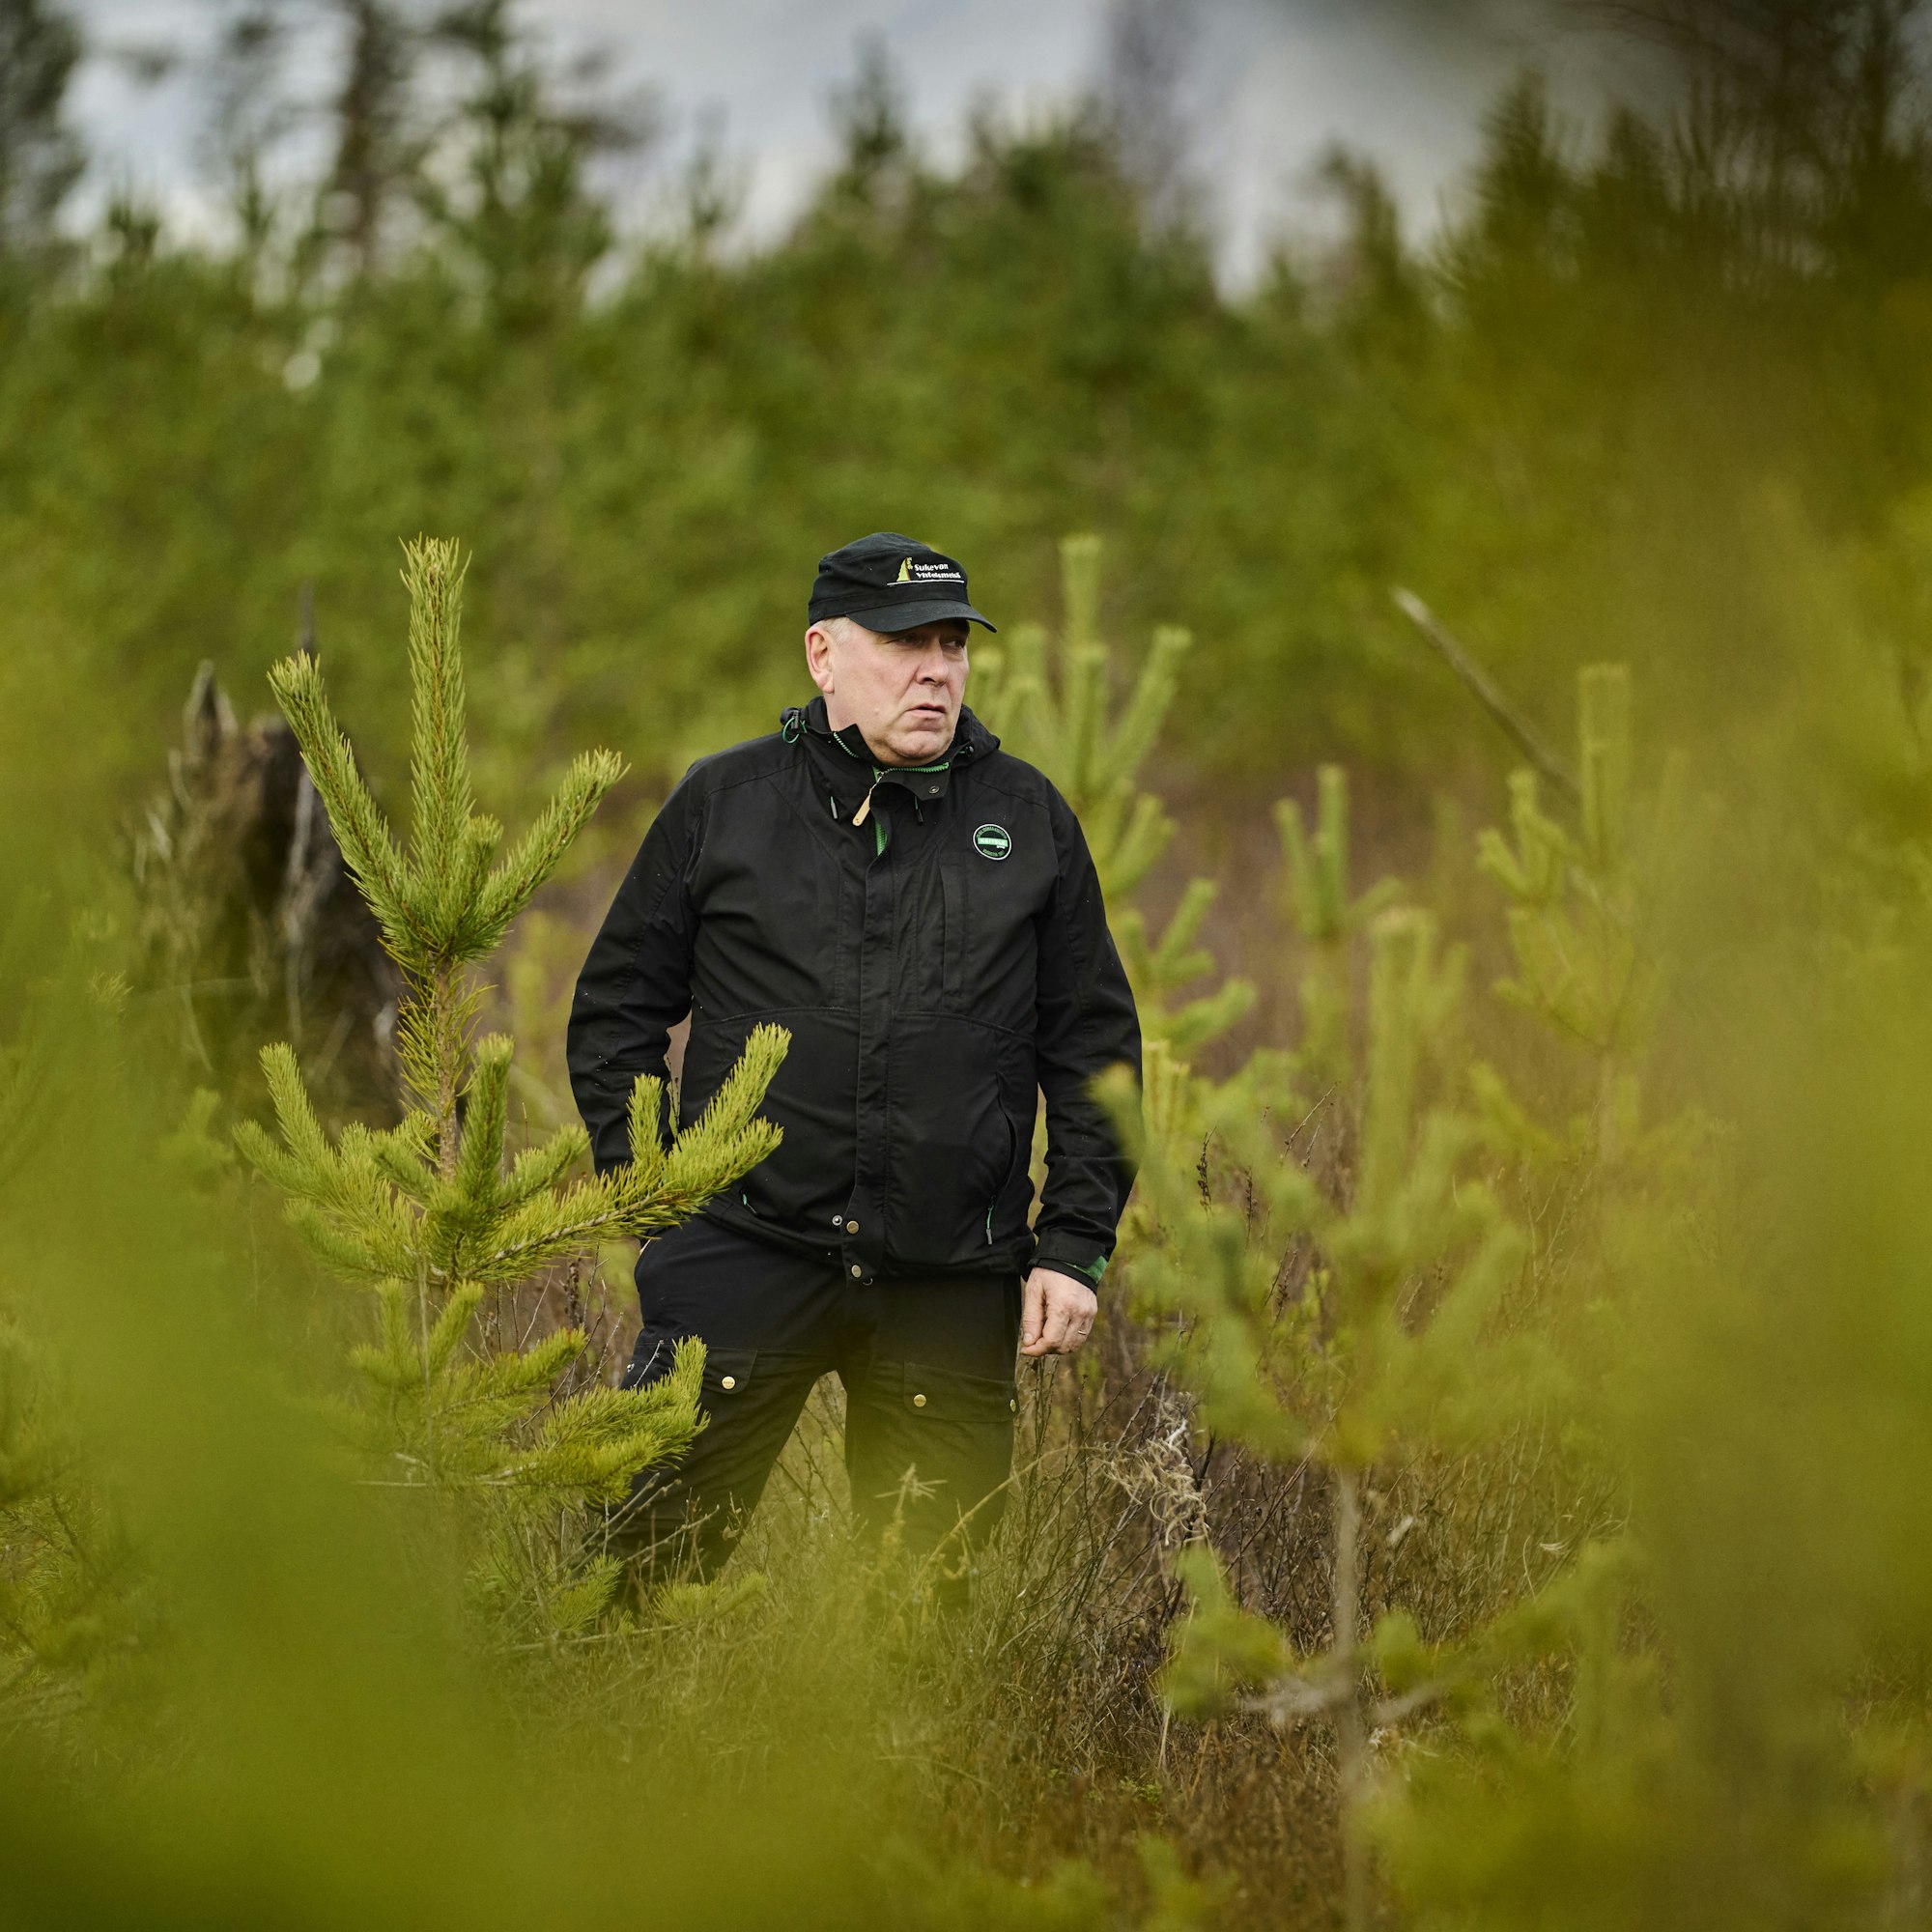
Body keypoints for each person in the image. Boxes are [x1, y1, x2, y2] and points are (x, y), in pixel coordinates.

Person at [566, 530, 1141, 1591]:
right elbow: (615, 1011)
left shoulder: (1024, 818)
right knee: (634, 1582)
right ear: (823, 654)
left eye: (952, 643)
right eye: (901, 642)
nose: (935, 668)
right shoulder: (724, 803)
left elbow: (1094, 1048)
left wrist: (1072, 1244)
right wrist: (654, 1191)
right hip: (744, 1250)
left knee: (925, 1611)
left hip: (950, 1277)